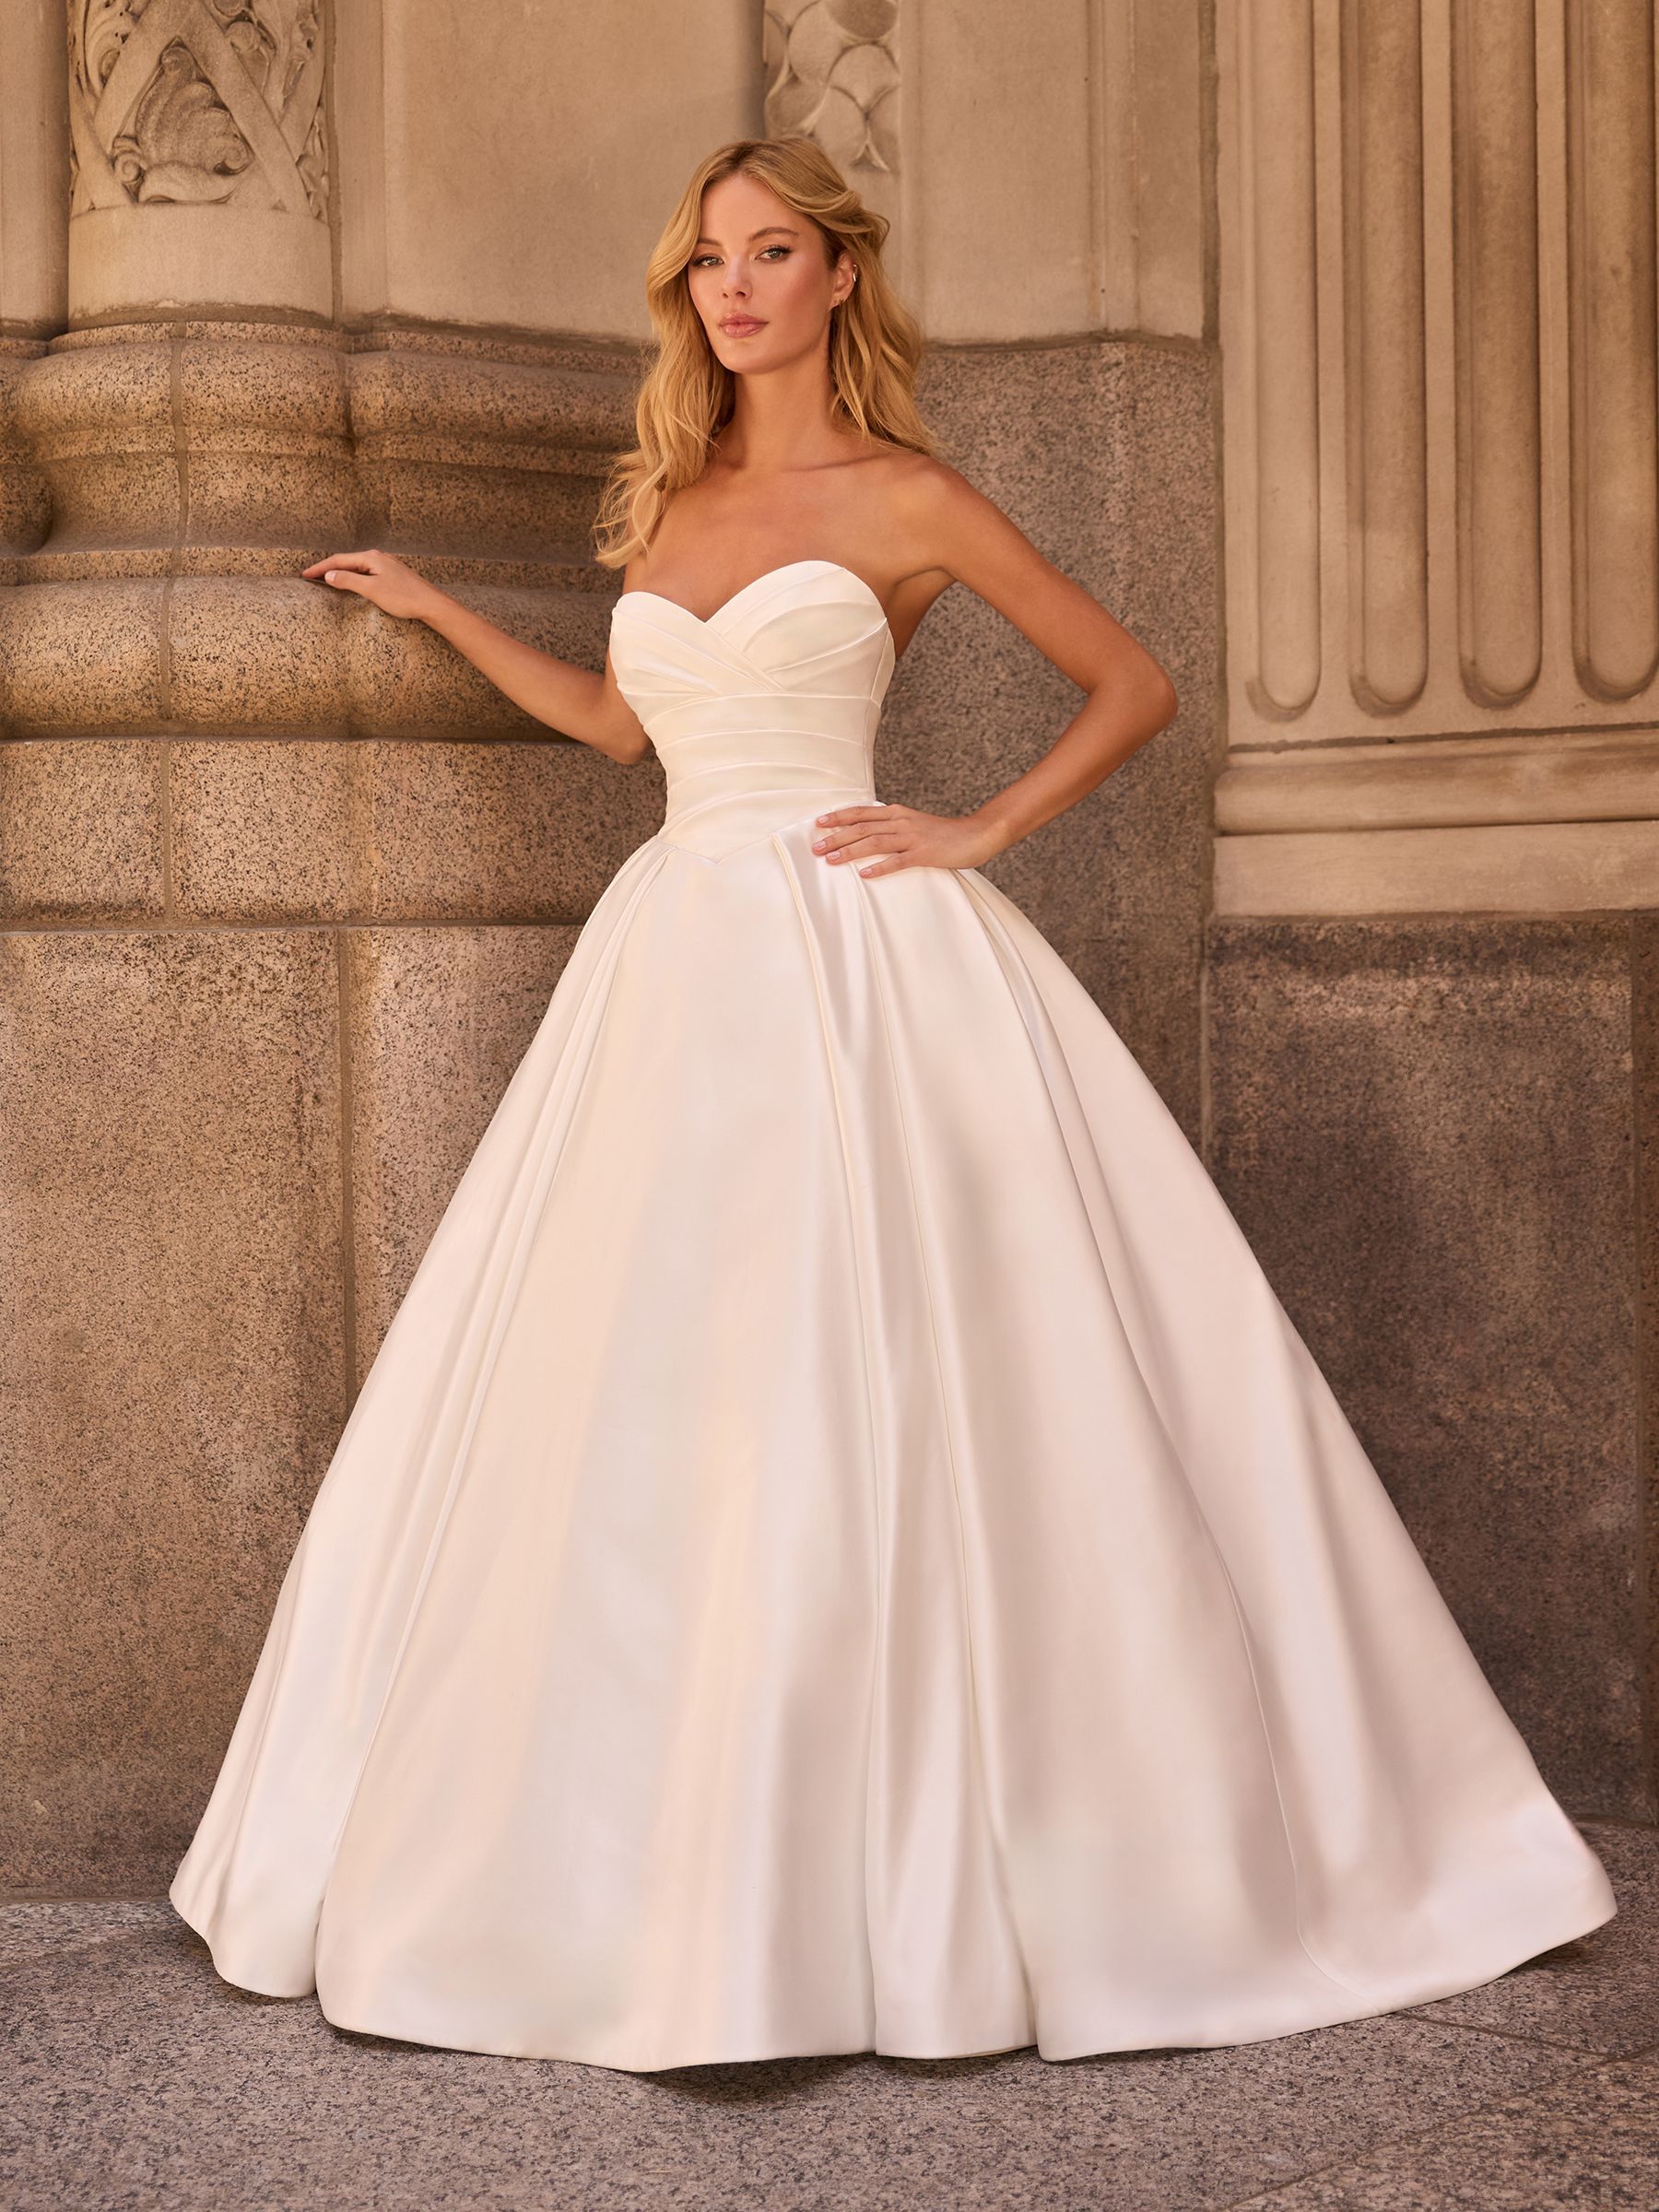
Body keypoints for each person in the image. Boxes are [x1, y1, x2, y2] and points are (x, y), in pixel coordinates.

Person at [169, 135, 1617, 2073]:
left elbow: (1132, 682)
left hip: (860, 951)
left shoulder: (911, 497)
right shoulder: (670, 495)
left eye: (772, 253)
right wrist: (436, 610)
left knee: (910, 1369)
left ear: (839, 274)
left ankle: (991, 1877)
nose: (735, 287)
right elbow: (618, 725)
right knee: (664, 1380)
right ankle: (653, 1885)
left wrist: (978, 829)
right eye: (709, 261)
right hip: (673, 962)